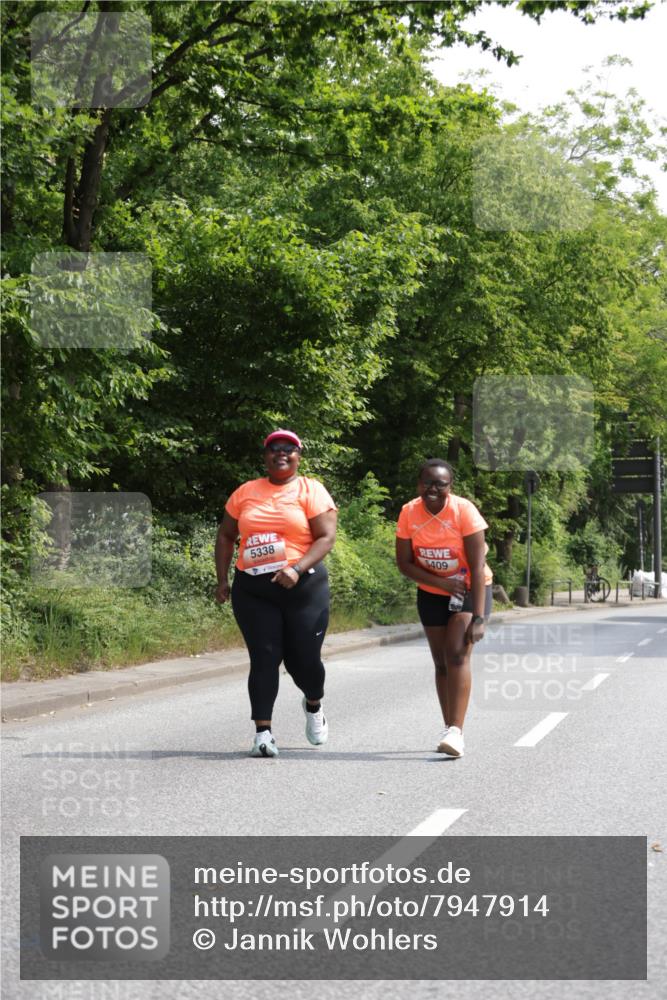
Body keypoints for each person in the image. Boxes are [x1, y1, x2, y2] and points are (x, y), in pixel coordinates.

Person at [215, 430, 337, 758]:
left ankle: (313, 704)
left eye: (288, 449)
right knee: (264, 657)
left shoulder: (311, 490)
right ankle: (263, 733)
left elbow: (326, 537)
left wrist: (296, 569)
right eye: (274, 449)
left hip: (304, 586)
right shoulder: (245, 492)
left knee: (304, 661)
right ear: (265, 456)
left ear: (298, 455)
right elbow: (226, 535)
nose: (281, 454)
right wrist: (222, 579)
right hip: (254, 589)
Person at [395, 458, 492, 758]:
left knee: (456, 654)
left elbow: (476, 567)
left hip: (469, 588)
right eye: (427, 482)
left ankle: (456, 732)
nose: (433, 489)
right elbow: (405, 563)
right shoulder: (409, 513)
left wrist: (478, 617)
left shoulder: (463, 511)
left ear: (451, 487)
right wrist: (441, 583)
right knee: (440, 663)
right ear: (418, 484)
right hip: (432, 593)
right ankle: (449, 725)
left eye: (441, 484)